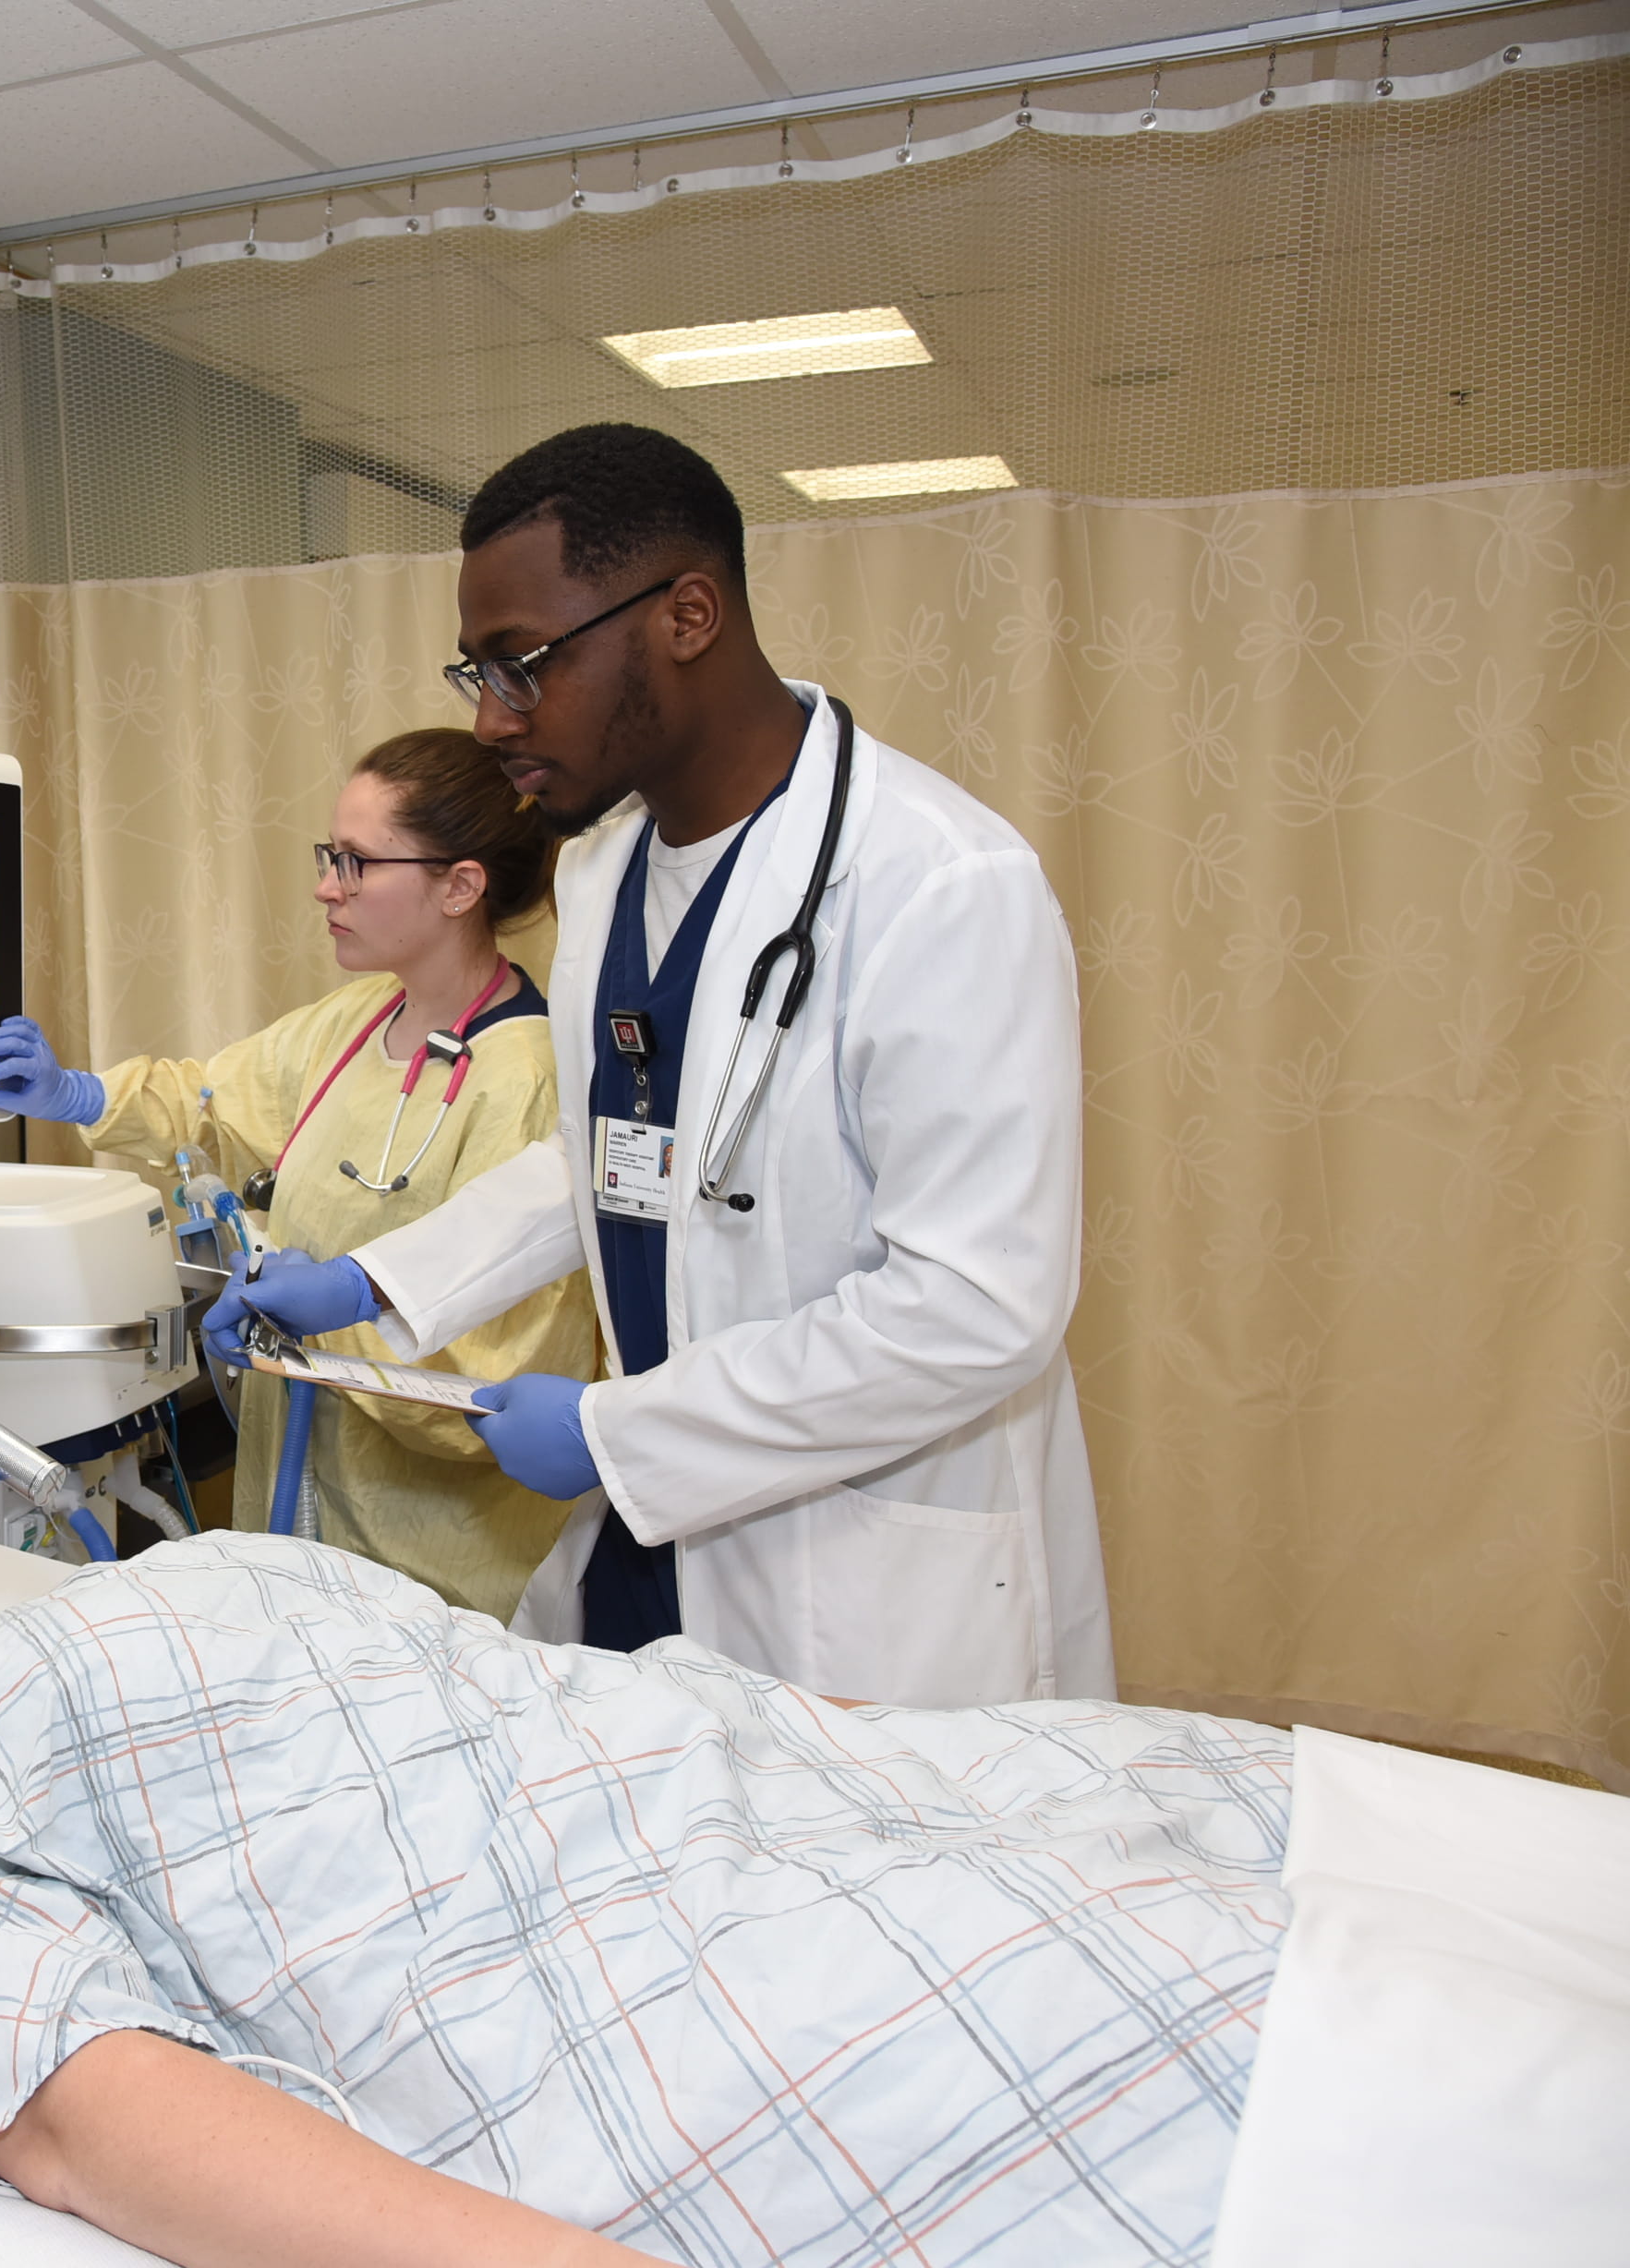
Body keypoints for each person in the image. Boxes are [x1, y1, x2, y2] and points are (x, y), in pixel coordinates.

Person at [0, 1501, 1292, 2266]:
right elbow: (75, 2115)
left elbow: (519, 1694)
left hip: (790, 1795)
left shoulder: (55, 1620)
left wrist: (886, 1756)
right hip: (685, 1979)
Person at [208, 424, 1108, 1707]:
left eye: (525, 666)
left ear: (689, 613)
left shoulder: (939, 884)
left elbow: (976, 1307)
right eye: (479, 670)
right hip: (662, 1548)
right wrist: (379, 1279)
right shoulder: (602, 868)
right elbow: (615, 1156)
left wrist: (621, 1432)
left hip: (860, 1576)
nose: (492, 719)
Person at [0, 728, 600, 1614]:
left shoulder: (528, 1081)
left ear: (460, 886)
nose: (326, 887)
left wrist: (321, 1329)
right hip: (296, 1523)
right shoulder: (361, 1020)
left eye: (357, 864)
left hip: (433, 1573)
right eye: (330, 856)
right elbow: (210, 1105)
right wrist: (75, 1095)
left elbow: (489, 1394)